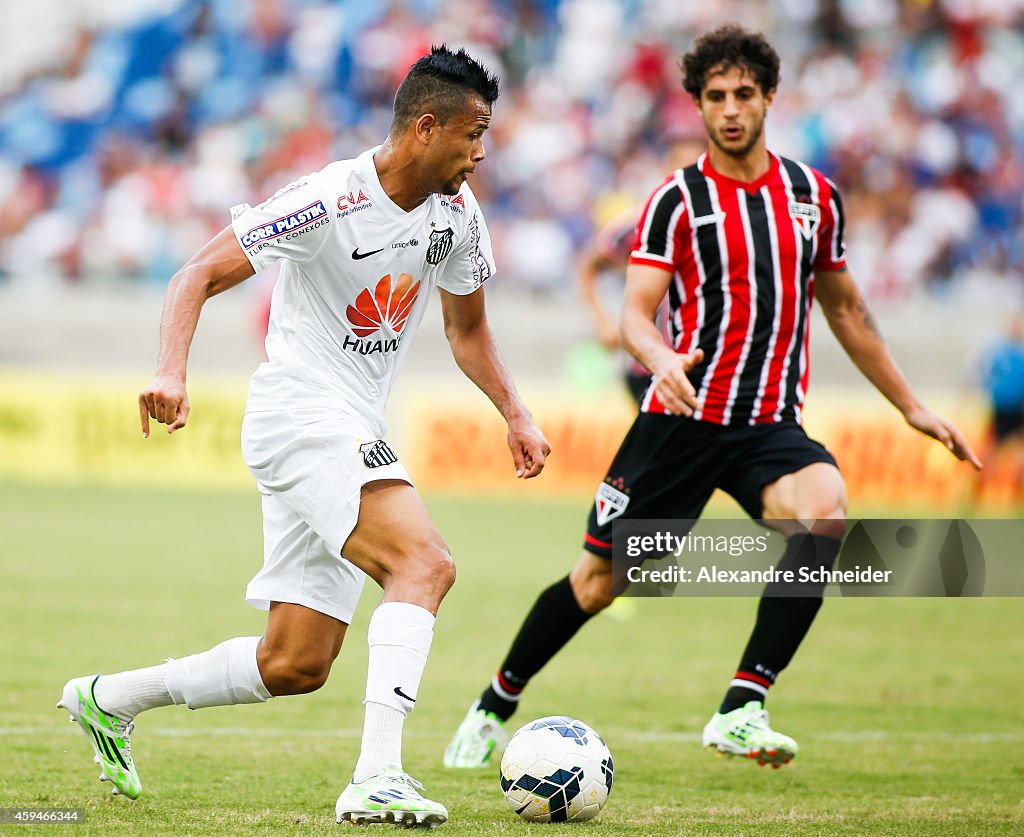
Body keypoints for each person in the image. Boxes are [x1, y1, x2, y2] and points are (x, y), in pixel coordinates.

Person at [443, 25, 980, 772]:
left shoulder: (813, 197)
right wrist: (661, 357)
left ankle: (743, 705)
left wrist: (910, 405)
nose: (730, 109)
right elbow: (636, 312)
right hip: (681, 423)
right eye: (716, 96)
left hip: (767, 425)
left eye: (744, 95)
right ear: (698, 104)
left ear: (768, 99)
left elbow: (848, 310)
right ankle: (494, 703)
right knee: (597, 583)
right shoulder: (674, 200)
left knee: (825, 510)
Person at [58, 46, 550, 828]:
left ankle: (106, 697)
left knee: (294, 662)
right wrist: (170, 371)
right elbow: (196, 274)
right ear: (427, 127)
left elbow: (468, 333)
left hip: (349, 424)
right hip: (300, 413)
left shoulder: (457, 215)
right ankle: (377, 777)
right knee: (424, 562)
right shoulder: (327, 199)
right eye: (473, 133)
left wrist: (515, 412)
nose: (482, 152)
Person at [577, 140, 703, 404]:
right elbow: (588, 263)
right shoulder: (640, 222)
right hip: (648, 365)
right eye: (682, 167)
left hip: (703, 363)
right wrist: (601, 319)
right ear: (667, 170)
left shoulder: (723, 225)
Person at [975, 313, 1024, 503]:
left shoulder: (997, 353)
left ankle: (981, 494)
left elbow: (985, 378)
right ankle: (1013, 497)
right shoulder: (1008, 353)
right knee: (995, 452)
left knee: (995, 452)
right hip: (1009, 408)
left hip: (1006, 407)